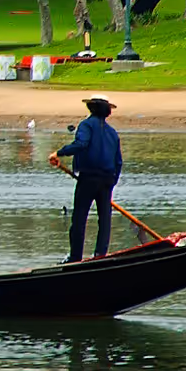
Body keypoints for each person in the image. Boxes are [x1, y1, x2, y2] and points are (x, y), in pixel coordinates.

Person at [51, 96, 123, 262]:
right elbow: (118, 162)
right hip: (107, 180)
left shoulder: (86, 125)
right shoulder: (112, 133)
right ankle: (100, 255)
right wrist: (112, 182)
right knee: (104, 220)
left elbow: (81, 144)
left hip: (89, 178)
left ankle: (75, 257)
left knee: (79, 218)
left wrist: (59, 153)